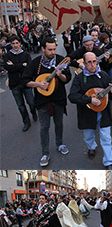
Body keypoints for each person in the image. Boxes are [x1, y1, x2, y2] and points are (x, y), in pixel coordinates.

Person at [23, 37, 71, 167]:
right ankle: (45, 153)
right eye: (50, 49)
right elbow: (25, 81)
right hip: (42, 100)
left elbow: (67, 79)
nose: (53, 52)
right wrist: (38, 84)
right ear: (43, 48)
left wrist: (60, 74)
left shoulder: (62, 60)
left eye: (54, 49)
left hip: (58, 99)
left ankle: (60, 144)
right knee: (44, 127)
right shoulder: (35, 63)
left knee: (59, 123)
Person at [69, 52, 112, 169]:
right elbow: (72, 96)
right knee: (88, 136)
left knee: (106, 138)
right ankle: (91, 147)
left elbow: (108, 90)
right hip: (87, 113)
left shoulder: (104, 75)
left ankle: (108, 162)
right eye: (89, 62)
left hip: (103, 112)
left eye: (94, 61)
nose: (92, 64)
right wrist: (89, 99)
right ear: (84, 63)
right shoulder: (79, 78)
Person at [4, 35, 37, 132]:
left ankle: (33, 112)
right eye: (13, 43)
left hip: (26, 83)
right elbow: (7, 68)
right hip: (14, 84)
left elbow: (29, 67)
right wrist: (22, 65)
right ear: (10, 44)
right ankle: (26, 122)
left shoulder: (26, 55)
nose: (15, 45)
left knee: (31, 102)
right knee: (20, 106)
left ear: (20, 43)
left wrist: (14, 66)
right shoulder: (7, 55)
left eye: (16, 43)